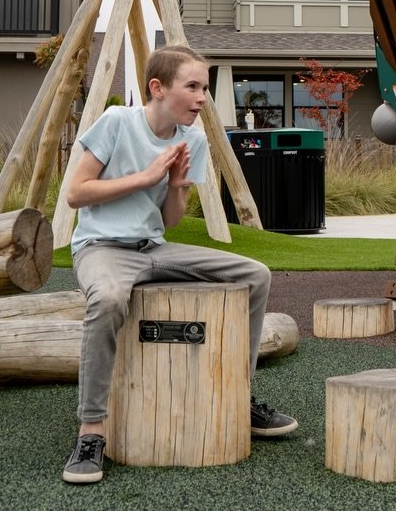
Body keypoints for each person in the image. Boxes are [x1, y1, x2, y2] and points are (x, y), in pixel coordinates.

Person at [60, 44, 298, 484]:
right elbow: (76, 193)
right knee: (110, 298)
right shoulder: (117, 122)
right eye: (193, 86)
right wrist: (147, 177)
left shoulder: (194, 139)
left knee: (255, 275)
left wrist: (172, 185)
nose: (202, 97)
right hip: (101, 247)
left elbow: (169, 221)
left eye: (204, 88)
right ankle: (91, 432)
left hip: (152, 248)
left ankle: (239, 398)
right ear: (158, 88)